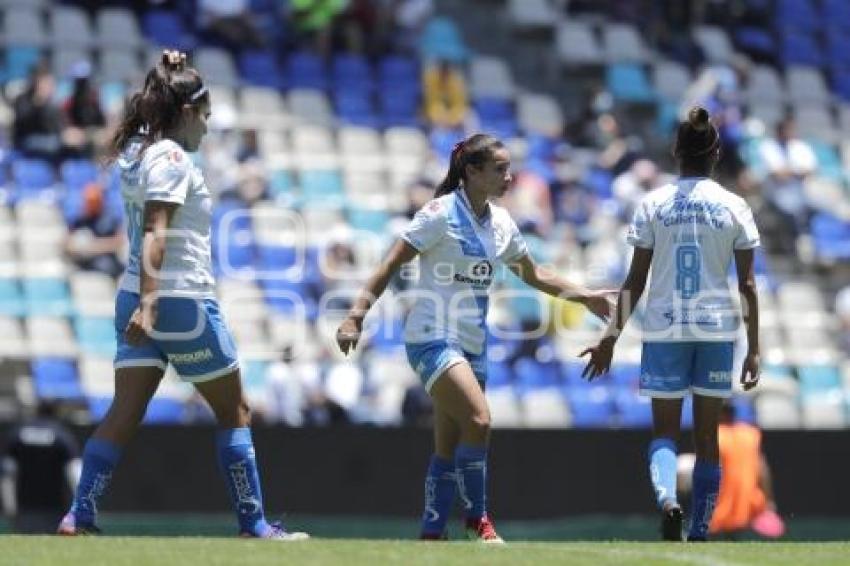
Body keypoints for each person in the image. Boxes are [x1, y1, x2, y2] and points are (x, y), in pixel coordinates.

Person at [56, 51, 307, 540]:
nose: (208, 129)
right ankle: (253, 525)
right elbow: (155, 230)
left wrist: (167, 71)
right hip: (177, 301)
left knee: (124, 413)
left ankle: (78, 515)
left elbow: (149, 106)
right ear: (188, 113)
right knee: (234, 411)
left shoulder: (137, 151)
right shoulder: (172, 158)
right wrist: (154, 303)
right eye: (206, 116)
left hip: (132, 296)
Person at [335, 133, 612, 542]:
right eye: (500, 169)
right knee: (480, 420)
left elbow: (534, 273)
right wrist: (356, 315)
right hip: (431, 337)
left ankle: (431, 532)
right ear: (472, 171)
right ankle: (477, 520)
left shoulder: (501, 222)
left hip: (472, 343)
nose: (510, 177)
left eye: (509, 168)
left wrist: (585, 295)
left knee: (448, 448)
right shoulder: (438, 214)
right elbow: (390, 263)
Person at [580, 107, 761, 542]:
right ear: (716, 152)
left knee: (664, 432)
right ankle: (699, 531)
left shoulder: (652, 204)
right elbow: (749, 285)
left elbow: (634, 282)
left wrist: (609, 338)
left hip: (664, 328)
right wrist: (753, 348)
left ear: (675, 151)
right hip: (716, 330)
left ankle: (668, 501)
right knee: (707, 439)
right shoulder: (735, 206)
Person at [677, 402, 784, 539]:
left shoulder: (714, 434)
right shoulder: (750, 434)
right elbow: (762, 469)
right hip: (748, 502)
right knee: (733, 536)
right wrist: (769, 500)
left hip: (720, 503)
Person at [2, 401, 80, 534]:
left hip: (25, 509)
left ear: (36, 411)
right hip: (54, 509)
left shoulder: (17, 434)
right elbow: (75, 474)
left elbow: (7, 475)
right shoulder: (61, 435)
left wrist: (9, 505)